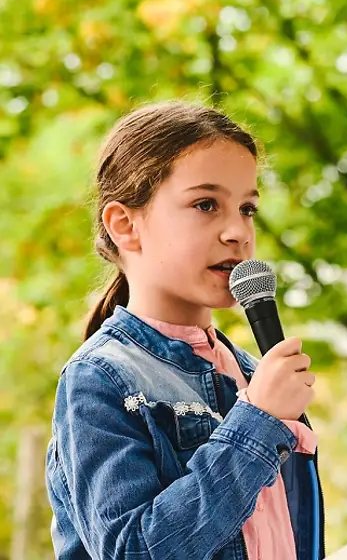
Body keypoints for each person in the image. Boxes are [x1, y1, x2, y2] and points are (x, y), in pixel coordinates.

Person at [44, 102, 325, 559]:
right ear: (125, 225)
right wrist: (257, 421)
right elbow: (132, 549)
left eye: (248, 208)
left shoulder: (253, 375)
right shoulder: (99, 379)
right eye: (206, 204)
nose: (238, 231)